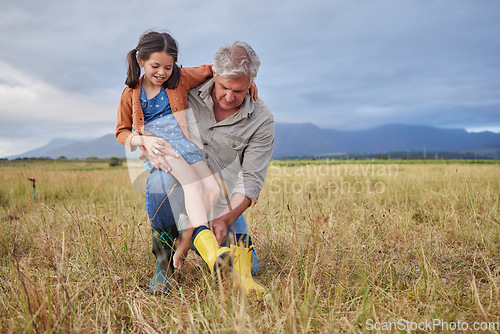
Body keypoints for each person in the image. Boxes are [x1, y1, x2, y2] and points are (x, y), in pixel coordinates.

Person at [143, 41, 274, 295]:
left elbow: (250, 180)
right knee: (160, 181)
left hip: (221, 202)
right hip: (180, 192)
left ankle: (203, 242)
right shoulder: (183, 92)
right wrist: (145, 141)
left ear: (251, 84)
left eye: (239, 90)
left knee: (249, 269)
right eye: (224, 86)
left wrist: (226, 218)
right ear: (214, 74)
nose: (229, 96)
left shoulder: (262, 119)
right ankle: (165, 261)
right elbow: (150, 82)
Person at [115, 31, 233, 293]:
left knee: (213, 189)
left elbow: (214, 70)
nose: (162, 72)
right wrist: (142, 141)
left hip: (188, 146)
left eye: (168, 67)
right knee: (192, 186)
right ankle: (211, 253)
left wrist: (244, 83)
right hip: (162, 148)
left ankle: (185, 242)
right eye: (155, 66)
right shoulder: (130, 93)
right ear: (140, 60)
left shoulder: (179, 79)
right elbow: (121, 132)